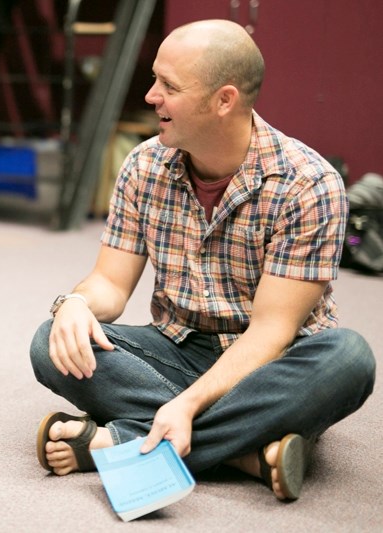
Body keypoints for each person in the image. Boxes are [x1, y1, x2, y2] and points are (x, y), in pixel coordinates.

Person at [30, 19, 375, 501]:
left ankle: (121, 440)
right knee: (53, 342)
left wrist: (189, 404)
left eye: (169, 86)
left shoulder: (307, 184)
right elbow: (109, 282)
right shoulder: (144, 165)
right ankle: (245, 452)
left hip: (272, 361)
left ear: (224, 101)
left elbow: (271, 333)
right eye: (155, 79)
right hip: (177, 348)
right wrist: (73, 303)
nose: (151, 96)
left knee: (348, 359)